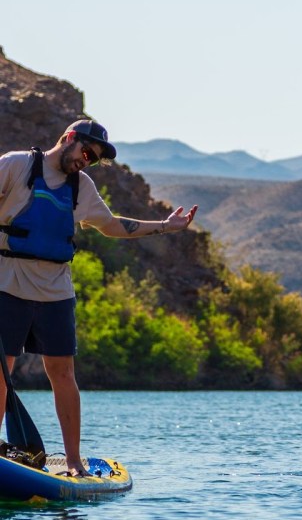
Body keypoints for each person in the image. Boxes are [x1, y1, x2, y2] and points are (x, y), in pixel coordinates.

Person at [0, 119, 198, 475]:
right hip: (8, 283)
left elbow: (112, 226)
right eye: (86, 151)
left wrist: (166, 226)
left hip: (56, 291)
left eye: (94, 158)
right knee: (2, 370)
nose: (86, 160)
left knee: (63, 373)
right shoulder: (16, 165)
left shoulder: (82, 187)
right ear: (69, 139)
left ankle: (74, 461)